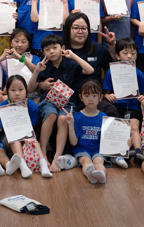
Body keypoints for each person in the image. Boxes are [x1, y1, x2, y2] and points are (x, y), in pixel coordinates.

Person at [28, 34, 95, 172]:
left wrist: (73, 56)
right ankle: (43, 153)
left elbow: (90, 70)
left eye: (55, 47)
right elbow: (30, 88)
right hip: (48, 101)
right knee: (51, 114)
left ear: (62, 48)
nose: (52, 51)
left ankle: (56, 157)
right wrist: (36, 71)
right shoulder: (44, 66)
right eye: (47, 50)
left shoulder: (71, 64)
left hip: (68, 102)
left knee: (63, 118)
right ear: (43, 53)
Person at [59, 80, 108, 184]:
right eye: (87, 95)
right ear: (81, 97)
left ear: (100, 97)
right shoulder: (77, 117)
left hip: (98, 150)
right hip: (81, 150)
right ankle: (90, 176)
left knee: (99, 161)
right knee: (86, 161)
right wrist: (71, 124)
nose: (90, 99)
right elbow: (73, 142)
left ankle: (102, 175)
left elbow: (108, 140)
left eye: (94, 95)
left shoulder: (104, 117)